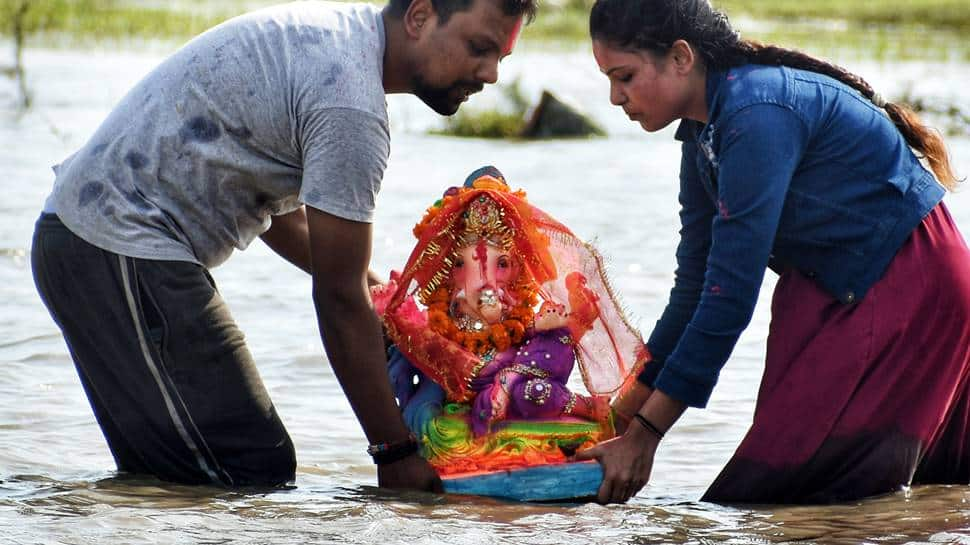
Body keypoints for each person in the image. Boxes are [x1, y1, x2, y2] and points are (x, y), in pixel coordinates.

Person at [30, 0, 535, 491]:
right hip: (117, 245)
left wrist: (383, 303)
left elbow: (280, 218)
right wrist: (394, 452)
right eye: (479, 47)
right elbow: (338, 299)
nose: (490, 74)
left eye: (500, 60)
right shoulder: (351, 106)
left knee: (175, 482)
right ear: (420, 16)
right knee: (249, 462)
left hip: (90, 244)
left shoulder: (341, 38)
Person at [576, 0, 970, 504]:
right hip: (836, 282)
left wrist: (646, 435)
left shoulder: (756, 113)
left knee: (790, 488)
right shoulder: (702, 131)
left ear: (680, 57)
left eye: (624, 76)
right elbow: (695, 286)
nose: (614, 97)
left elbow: (730, 295)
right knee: (818, 497)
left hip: (907, 279)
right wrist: (628, 406)